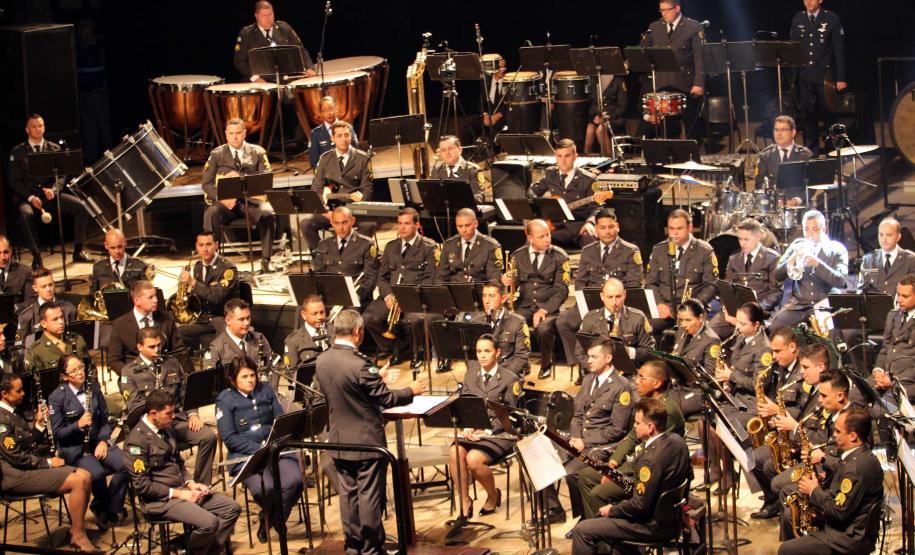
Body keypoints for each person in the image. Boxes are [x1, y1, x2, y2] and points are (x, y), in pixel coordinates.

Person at [315, 309, 427, 554]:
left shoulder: (322, 360)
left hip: (338, 441)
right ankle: (371, 548)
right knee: (368, 498)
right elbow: (386, 399)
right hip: (366, 443)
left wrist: (378, 378)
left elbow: (346, 391)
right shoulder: (361, 365)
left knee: (349, 496)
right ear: (358, 332)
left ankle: (353, 547)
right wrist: (411, 390)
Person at [569, 397, 693, 555]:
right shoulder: (678, 441)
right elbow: (690, 475)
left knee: (582, 530)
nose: (634, 428)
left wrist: (613, 510)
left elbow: (639, 506)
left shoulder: (649, 460)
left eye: (637, 423)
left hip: (651, 526)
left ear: (650, 427)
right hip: (672, 518)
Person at [124, 389, 240, 555]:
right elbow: (143, 486)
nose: (173, 418)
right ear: (153, 413)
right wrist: (180, 493)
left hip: (182, 490)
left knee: (232, 509)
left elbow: (177, 461)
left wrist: (191, 483)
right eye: (169, 414)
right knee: (209, 523)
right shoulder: (136, 443)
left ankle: (205, 551)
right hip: (161, 500)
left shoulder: (166, 426)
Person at [0, 374, 98, 552]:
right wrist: (49, 463)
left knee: (85, 475)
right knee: (78, 481)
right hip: (15, 476)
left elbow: (29, 443)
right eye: (18, 390)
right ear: (4, 394)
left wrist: (38, 424)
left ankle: (76, 529)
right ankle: (78, 535)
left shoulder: (13, 412)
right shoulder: (1, 419)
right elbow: (16, 457)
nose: (23, 393)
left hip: (28, 469)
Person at [578, 360, 685, 519]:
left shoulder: (667, 411)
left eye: (642, 377)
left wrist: (617, 473)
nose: (636, 381)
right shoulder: (649, 402)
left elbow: (650, 453)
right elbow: (633, 436)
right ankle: (591, 524)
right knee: (585, 475)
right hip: (634, 464)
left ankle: (607, 534)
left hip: (646, 475)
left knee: (597, 493)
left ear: (657, 383)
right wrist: (613, 462)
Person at [544, 338, 635, 521]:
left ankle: (585, 519)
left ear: (608, 358)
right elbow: (577, 415)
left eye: (594, 357)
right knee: (543, 459)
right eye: (588, 357)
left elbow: (617, 430)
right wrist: (576, 438)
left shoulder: (621, 386)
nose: (589, 361)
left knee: (572, 474)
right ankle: (555, 510)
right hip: (578, 439)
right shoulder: (588, 380)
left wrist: (584, 442)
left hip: (602, 445)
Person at [216, 356, 304, 543]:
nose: (250, 380)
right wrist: (258, 449)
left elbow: (280, 421)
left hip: (275, 449)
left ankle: (269, 519)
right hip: (246, 455)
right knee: (265, 489)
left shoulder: (265, 390)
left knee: (295, 481)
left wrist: (273, 444)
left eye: (252, 375)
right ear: (233, 379)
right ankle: (275, 519)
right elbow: (229, 438)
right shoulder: (225, 399)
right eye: (244, 377)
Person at [777, 409, 883, 555]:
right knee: (791, 511)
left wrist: (814, 490)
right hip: (849, 525)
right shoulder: (861, 455)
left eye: (838, 432)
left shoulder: (855, 469)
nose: (834, 434)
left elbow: (839, 512)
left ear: (852, 436)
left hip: (847, 538)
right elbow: (840, 471)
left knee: (786, 550)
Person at [122, 327, 217, 485]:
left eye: (159, 345)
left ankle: (201, 485)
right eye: (151, 347)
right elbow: (134, 406)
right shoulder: (130, 372)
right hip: (153, 426)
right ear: (139, 347)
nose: (157, 350)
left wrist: (193, 414)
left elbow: (185, 393)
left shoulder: (171, 362)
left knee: (208, 436)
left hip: (175, 420)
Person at [556, 209, 644, 375]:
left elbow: (634, 285)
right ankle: (583, 366)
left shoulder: (631, 250)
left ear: (617, 227)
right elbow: (580, 281)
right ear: (596, 229)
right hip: (590, 303)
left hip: (616, 305)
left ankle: (610, 367)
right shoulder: (588, 250)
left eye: (611, 227)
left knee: (601, 327)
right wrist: (584, 302)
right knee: (563, 323)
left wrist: (611, 301)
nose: (607, 231)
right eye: (603, 227)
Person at [48, 354, 128, 530]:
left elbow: (106, 421)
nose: (80, 373)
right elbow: (58, 433)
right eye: (74, 370)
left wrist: (103, 441)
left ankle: (106, 507)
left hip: (96, 442)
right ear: (64, 375)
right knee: (97, 474)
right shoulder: (57, 397)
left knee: (127, 464)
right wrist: (78, 425)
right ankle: (110, 507)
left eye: (81, 368)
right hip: (75, 449)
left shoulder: (93, 387)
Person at [448, 334, 519, 519]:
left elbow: (512, 416)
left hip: (499, 433)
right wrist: (467, 427)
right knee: (454, 452)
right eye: (479, 351)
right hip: (474, 431)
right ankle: (464, 501)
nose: (482, 355)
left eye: (487, 351)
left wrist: (487, 430)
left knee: (473, 460)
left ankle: (493, 495)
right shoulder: (471, 374)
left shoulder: (510, 379)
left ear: (497, 352)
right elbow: (465, 405)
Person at [7, 113, 91, 267]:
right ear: (27, 130)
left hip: (50, 196)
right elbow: (14, 182)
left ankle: (78, 250)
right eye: (34, 126)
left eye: (40, 126)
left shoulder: (54, 148)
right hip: (28, 197)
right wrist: (31, 197)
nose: (38, 129)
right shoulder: (17, 152)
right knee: (26, 215)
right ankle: (36, 256)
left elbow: (61, 175)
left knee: (81, 206)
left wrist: (54, 189)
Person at [750, 327, 814, 520]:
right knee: (752, 458)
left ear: (792, 347)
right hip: (781, 429)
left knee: (766, 463)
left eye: (777, 351)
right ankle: (772, 500)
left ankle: (780, 502)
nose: (774, 356)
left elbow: (803, 411)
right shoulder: (781, 369)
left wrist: (776, 411)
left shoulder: (804, 374)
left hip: (796, 434)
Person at [363, 208, 439, 367]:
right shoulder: (391, 247)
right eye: (399, 224)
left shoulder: (429, 247)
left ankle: (416, 351)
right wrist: (388, 295)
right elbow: (382, 277)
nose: (402, 228)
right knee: (369, 318)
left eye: (407, 223)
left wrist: (408, 296)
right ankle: (397, 347)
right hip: (392, 296)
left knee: (412, 321)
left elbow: (431, 279)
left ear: (417, 225)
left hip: (415, 297)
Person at [201, 118, 277, 274]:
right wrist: (222, 198)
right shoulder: (216, 155)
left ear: (244, 133)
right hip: (225, 203)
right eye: (231, 133)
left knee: (268, 213)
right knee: (211, 212)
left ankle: (266, 261)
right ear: (226, 135)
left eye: (238, 133)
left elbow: (266, 180)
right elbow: (206, 184)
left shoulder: (258, 152)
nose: (234, 137)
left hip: (250, 201)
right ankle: (212, 263)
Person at [502, 219, 570, 379]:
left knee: (544, 328)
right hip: (525, 305)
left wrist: (544, 309)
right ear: (531, 238)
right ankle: (521, 364)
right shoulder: (518, 256)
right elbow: (514, 283)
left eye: (548, 235)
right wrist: (507, 280)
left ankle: (546, 363)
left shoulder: (560, 257)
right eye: (542, 236)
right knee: (510, 323)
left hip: (549, 306)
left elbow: (562, 290)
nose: (547, 239)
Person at [638, 0, 706, 139]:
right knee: (667, 126)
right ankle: (671, 155)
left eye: (666, 10)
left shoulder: (692, 26)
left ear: (677, 8)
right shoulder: (655, 27)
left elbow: (700, 58)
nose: (663, 13)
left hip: (685, 83)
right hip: (663, 83)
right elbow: (642, 49)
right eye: (661, 10)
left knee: (691, 123)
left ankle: (695, 154)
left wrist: (699, 83)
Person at [303, 121, 375, 251]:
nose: (344, 139)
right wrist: (326, 212)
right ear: (333, 138)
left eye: (347, 135)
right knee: (305, 224)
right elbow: (316, 189)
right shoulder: (325, 159)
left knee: (369, 224)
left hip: (354, 211)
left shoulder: (363, 159)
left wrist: (348, 214)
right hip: (330, 211)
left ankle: (354, 255)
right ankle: (321, 258)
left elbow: (367, 190)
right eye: (340, 136)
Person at [771, 210, 848, 330]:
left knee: (831, 335)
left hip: (825, 305)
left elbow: (841, 281)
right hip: (799, 306)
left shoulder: (837, 249)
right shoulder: (797, 244)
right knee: (774, 328)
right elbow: (776, 276)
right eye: (806, 229)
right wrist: (792, 258)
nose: (810, 234)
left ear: (823, 229)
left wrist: (818, 263)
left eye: (815, 229)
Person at [645, 209, 718, 335]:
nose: (674, 233)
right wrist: (659, 304)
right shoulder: (659, 250)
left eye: (679, 228)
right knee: (642, 328)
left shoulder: (704, 251)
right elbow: (650, 283)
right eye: (671, 229)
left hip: (692, 310)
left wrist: (694, 306)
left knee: (688, 334)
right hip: (665, 310)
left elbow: (711, 285)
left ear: (689, 227)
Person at [570, 278, 655, 385]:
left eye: (618, 296)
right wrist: (596, 367)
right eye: (610, 297)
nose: (614, 302)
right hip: (598, 372)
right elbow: (580, 352)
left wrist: (629, 352)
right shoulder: (590, 319)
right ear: (602, 296)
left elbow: (650, 351)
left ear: (625, 294)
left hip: (628, 375)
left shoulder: (638, 317)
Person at [789, 0, 847, 155]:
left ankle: (833, 153)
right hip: (805, 77)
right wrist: (793, 79)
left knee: (829, 117)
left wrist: (841, 78)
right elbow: (793, 49)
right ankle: (811, 153)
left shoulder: (831, 18)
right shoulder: (798, 18)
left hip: (825, 78)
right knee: (808, 119)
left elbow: (839, 51)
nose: (808, 1)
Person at [709, 218, 783, 337]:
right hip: (733, 312)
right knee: (708, 336)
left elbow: (776, 293)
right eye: (740, 239)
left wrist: (754, 310)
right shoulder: (734, 258)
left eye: (746, 239)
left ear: (758, 236)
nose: (742, 243)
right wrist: (725, 309)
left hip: (758, 313)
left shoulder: (772, 258)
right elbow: (726, 289)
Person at [528, 139, 601, 250]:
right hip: (556, 229)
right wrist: (541, 211)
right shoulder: (550, 174)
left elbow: (597, 208)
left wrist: (590, 223)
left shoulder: (589, 179)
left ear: (575, 156)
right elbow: (533, 192)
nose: (563, 160)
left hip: (579, 228)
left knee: (591, 242)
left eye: (567, 156)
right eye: (559, 156)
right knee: (533, 241)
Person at [175, 231, 240, 352]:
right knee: (176, 333)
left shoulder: (228, 268)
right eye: (201, 245)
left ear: (216, 245)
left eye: (208, 244)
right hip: (203, 319)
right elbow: (199, 295)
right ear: (196, 247)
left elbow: (216, 297)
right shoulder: (198, 267)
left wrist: (193, 283)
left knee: (220, 347)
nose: (205, 249)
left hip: (223, 318)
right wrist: (185, 294)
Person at [108, 280, 183, 376]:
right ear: (136, 300)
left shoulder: (166, 318)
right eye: (150, 297)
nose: (156, 300)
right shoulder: (120, 325)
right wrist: (132, 375)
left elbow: (179, 349)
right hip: (135, 377)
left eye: (155, 296)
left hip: (165, 374)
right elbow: (114, 360)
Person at [310, 206, 380, 309]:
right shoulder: (324, 244)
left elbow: (371, 278)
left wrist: (358, 296)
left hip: (356, 298)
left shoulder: (366, 244)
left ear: (352, 221)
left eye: (344, 222)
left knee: (347, 316)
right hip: (331, 296)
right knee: (306, 308)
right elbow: (318, 273)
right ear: (331, 223)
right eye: (337, 223)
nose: (340, 227)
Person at [233, 0, 315, 82]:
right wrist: (255, 78)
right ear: (256, 16)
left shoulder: (285, 29)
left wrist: (309, 68)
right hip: (260, 82)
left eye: (270, 15)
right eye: (264, 16)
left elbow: (301, 50)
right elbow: (239, 61)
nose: (268, 19)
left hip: (286, 79)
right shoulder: (247, 33)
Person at [205, 299, 279, 387]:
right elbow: (211, 380)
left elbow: (274, 366)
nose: (247, 323)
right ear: (228, 320)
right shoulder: (216, 347)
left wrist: (269, 392)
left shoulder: (259, 338)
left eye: (248, 318)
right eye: (241, 319)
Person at [668, 299, 721, 417]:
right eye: (681, 320)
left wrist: (684, 369)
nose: (683, 324)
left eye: (688, 320)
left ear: (701, 318)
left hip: (698, 391)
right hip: (678, 385)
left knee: (670, 410)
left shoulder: (711, 340)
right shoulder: (682, 331)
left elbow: (709, 376)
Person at [467, 281, 531, 377]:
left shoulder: (517, 322)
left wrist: (498, 377)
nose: (486, 301)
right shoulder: (476, 322)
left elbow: (521, 358)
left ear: (503, 298)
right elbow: (471, 357)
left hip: (508, 376)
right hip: (482, 377)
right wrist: (480, 376)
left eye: (491, 296)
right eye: (484, 296)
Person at [871, 273, 915, 403]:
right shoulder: (893, 315)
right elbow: (885, 348)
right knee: (855, 397)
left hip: (905, 384)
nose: (899, 300)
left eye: (905, 296)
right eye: (898, 294)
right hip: (883, 377)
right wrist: (878, 371)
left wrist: (892, 381)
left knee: (882, 410)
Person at [435, 208, 503, 284]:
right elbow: (440, 277)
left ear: (476, 224)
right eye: (460, 226)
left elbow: (494, 279)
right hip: (454, 292)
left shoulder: (490, 246)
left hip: (480, 292)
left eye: (467, 225)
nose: (463, 230)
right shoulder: (449, 245)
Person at [755, 115, 813, 199]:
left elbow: (813, 185)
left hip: (800, 205)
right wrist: (773, 199)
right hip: (774, 205)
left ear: (793, 132)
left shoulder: (805, 155)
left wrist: (797, 200)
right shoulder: (765, 156)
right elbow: (759, 184)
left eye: (783, 130)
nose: (779, 133)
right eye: (776, 130)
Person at [25, 302, 89, 371]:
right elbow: (36, 379)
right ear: (43, 324)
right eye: (55, 319)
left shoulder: (77, 340)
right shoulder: (35, 351)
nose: (61, 322)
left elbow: (90, 367)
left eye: (61, 317)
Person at [857, 218, 915, 295]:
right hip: (874, 306)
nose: (884, 239)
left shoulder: (910, 260)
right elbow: (861, 291)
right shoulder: (868, 260)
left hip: (900, 306)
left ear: (898, 237)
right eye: (881, 235)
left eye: (889, 235)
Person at [16, 268, 76, 341]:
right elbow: (22, 346)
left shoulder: (69, 309)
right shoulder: (26, 316)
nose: (48, 289)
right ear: (35, 288)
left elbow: (76, 337)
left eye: (50, 285)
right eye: (43, 286)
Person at [88, 228, 151, 296]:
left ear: (125, 243)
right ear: (106, 246)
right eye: (113, 248)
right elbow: (92, 295)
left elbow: (147, 295)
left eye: (120, 247)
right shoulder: (98, 267)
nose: (117, 251)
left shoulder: (140, 266)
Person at [429, 135, 485, 204]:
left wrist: (455, 201)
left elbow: (479, 198)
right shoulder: (437, 169)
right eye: (443, 150)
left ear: (460, 150)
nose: (447, 153)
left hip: (464, 212)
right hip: (442, 212)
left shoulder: (473, 170)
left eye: (450, 148)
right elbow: (432, 194)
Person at [308, 96, 359, 168]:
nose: (329, 113)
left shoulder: (348, 128)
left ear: (336, 109)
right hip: (327, 176)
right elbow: (314, 162)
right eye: (324, 110)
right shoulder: (315, 134)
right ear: (321, 113)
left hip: (348, 172)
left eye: (331, 108)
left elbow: (356, 152)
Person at [284, 294, 333, 369]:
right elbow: (291, 372)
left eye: (322, 312)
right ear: (304, 315)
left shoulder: (336, 332)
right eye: (314, 314)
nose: (319, 317)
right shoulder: (293, 341)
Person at [584, 74, 629, 155]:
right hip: (597, 116)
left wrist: (608, 116)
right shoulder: (594, 79)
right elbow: (591, 102)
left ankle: (608, 157)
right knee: (589, 130)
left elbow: (623, 105)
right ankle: (587, 157)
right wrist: (596, 115)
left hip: (614, 118)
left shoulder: (618, 81)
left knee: (600, 130)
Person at [0, 234, 34, 301]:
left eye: (6, 252)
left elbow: (30, 302)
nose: (2, 257)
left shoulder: (26, 272)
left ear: (11, 250)